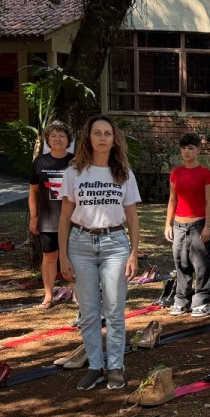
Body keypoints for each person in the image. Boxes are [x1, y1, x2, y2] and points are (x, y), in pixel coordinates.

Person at [58, 115, 142, 391]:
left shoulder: (124, 174)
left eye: (108, 133)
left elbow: (132, 217)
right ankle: (95, 366)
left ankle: (115, 367)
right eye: (98, 133)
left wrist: (133, 253)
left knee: (115, 310)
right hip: (80, 245)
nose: (103, 138)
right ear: (88, 138)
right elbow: (64, 217)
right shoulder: (74, 173)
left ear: (114, 139)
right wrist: (63, 255)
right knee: (89, 312)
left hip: (115, 244)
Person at [165, 132, 210, 317]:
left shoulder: (205, 173)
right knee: (181, 264)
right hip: (179, 225)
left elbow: (209, 202)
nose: (187, 152)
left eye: (191, 148)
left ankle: (202, 302)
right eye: (184, 148)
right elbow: (172, 200)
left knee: (202, 265)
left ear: (198, 150)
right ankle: (181, 300)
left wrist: (208, 226)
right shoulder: (175, 173)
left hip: (198, 225)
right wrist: (168, 224)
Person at [28, 121, 74, 309]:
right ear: (48, 140)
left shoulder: (75, 161)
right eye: (53, 136)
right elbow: (33, 192)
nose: (58, 139)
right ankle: (48, 295)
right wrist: (33, 217)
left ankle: (76, 293)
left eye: (62, 136)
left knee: (74, 256)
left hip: (72, 218)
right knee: (49, 257)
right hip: (48, 219)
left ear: (68, 141)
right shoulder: (40, 162)